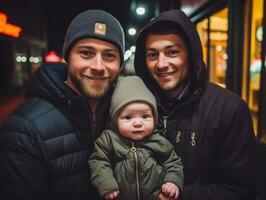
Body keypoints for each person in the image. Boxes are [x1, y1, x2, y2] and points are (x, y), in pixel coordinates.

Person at [0, 9, 125, 200]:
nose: (98, 66)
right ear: (67, 56)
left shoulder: (125, 112)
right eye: (86, 53)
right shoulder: (24, 129)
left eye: (109, 56)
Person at [134, 9, 257, 200]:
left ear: (190, 54)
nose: (161, 63)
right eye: (152, 55)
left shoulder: (229, 109)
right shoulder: (136, 106)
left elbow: (240, 191)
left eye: (172, 52)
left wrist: (179, 196)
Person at [89, 75, 183, 200]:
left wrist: (172, 181)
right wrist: (106, 183)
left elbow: (173, 162)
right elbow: (98, 161)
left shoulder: (159, 140)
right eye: (128, 117)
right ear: (115, 120)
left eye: (145, 116)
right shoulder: (109, 139)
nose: (138, 123)